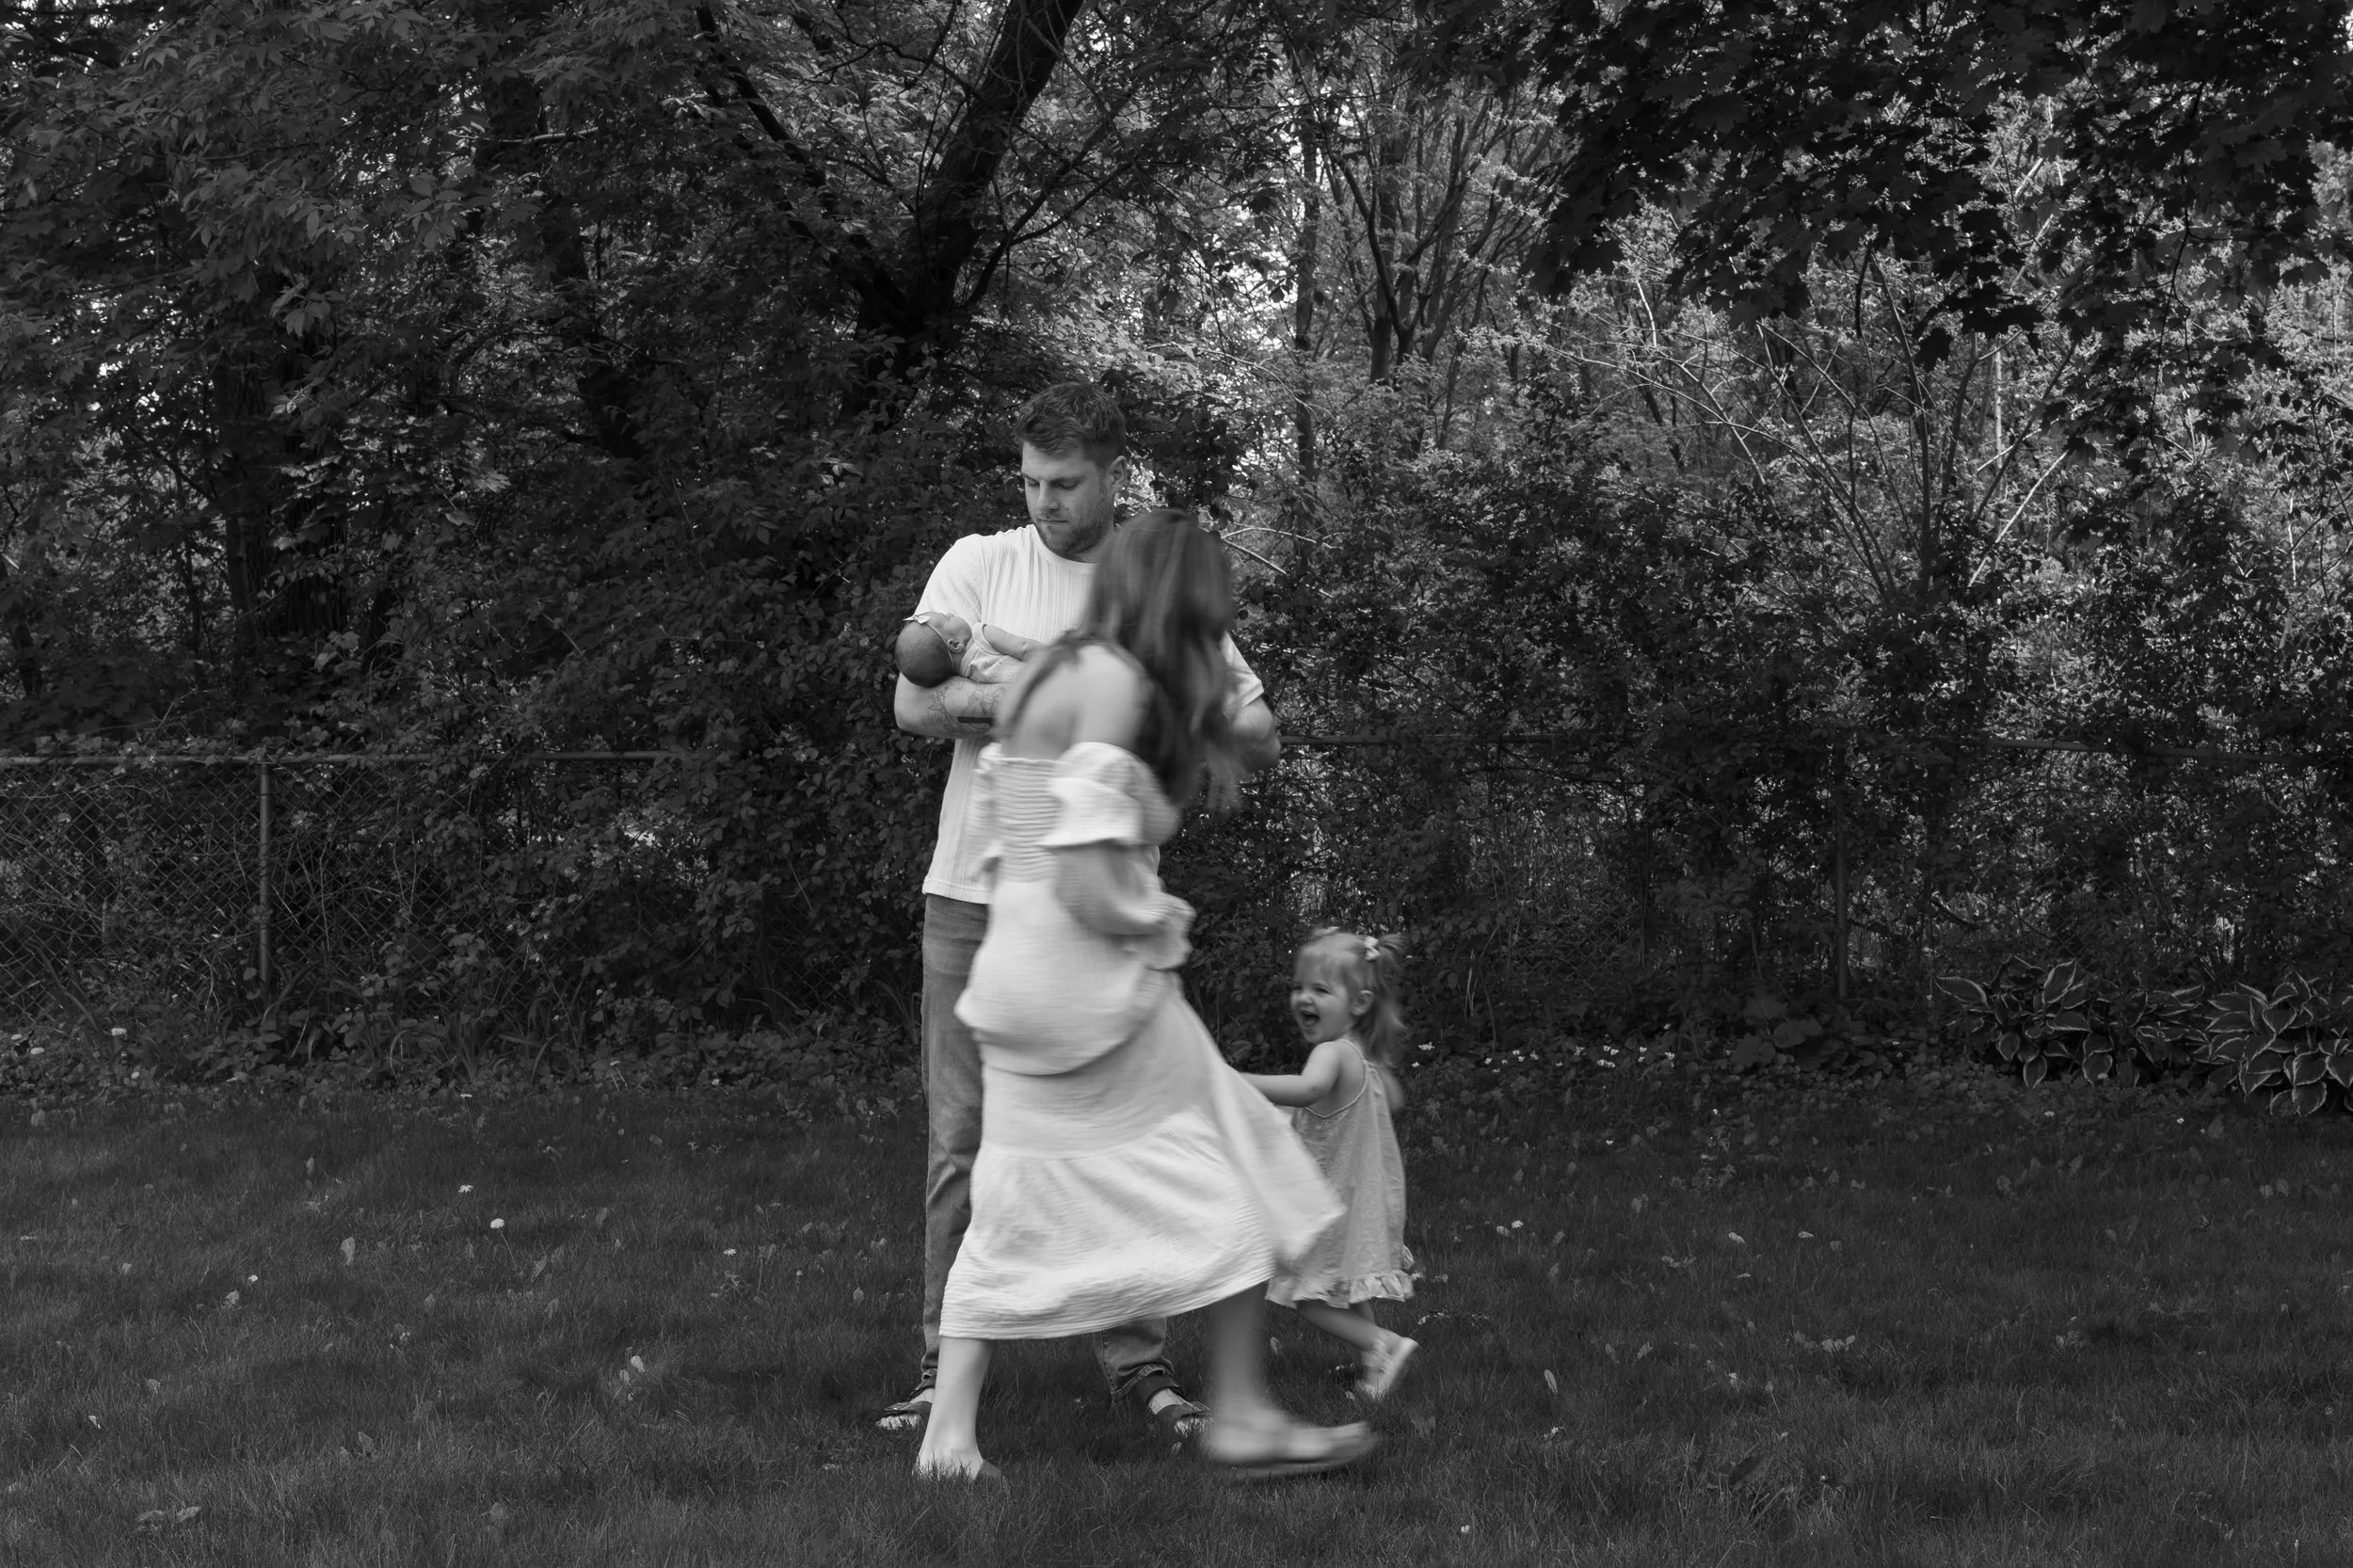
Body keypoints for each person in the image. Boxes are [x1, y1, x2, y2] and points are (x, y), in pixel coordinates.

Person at [913, 510, 1374, 1482]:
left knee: (1007, 1194)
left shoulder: (1057, 669)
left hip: (1016, 982)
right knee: (1246, 1157)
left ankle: (948, 1441)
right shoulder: (1115, 687)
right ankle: (1244, 1415)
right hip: (1090, 981)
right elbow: (1085, 868)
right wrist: (1150, 920)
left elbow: (1011, 829)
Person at [885, 384, 1281, 1440]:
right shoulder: (979, 562)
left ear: (1115, 477)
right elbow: (912, 703)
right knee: (962, 1143)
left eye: (1064, 484)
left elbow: (1258, 722)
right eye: (1030, 481)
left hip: (1101, 925)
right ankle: (938, 1375)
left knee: (1121, 1144)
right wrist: (1048, 714)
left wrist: (1155, 711)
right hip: (972, 900)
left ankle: (1136, 1368)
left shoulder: (1142, 583)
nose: (1044, 503)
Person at [1241, 930, 1420, 1405]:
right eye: (1299, 987)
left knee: (1310, 1298)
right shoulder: (1358, 1053)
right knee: (1349, 1286)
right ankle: (1375, 1364)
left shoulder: (1331, 1054)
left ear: (1358, 1003)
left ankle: (1382, 1344)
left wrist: (1237, 1082)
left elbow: (1308, 1091)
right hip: (1354, 1202)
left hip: (1330, 1207)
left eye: (1321, 990)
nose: (1304, 998)